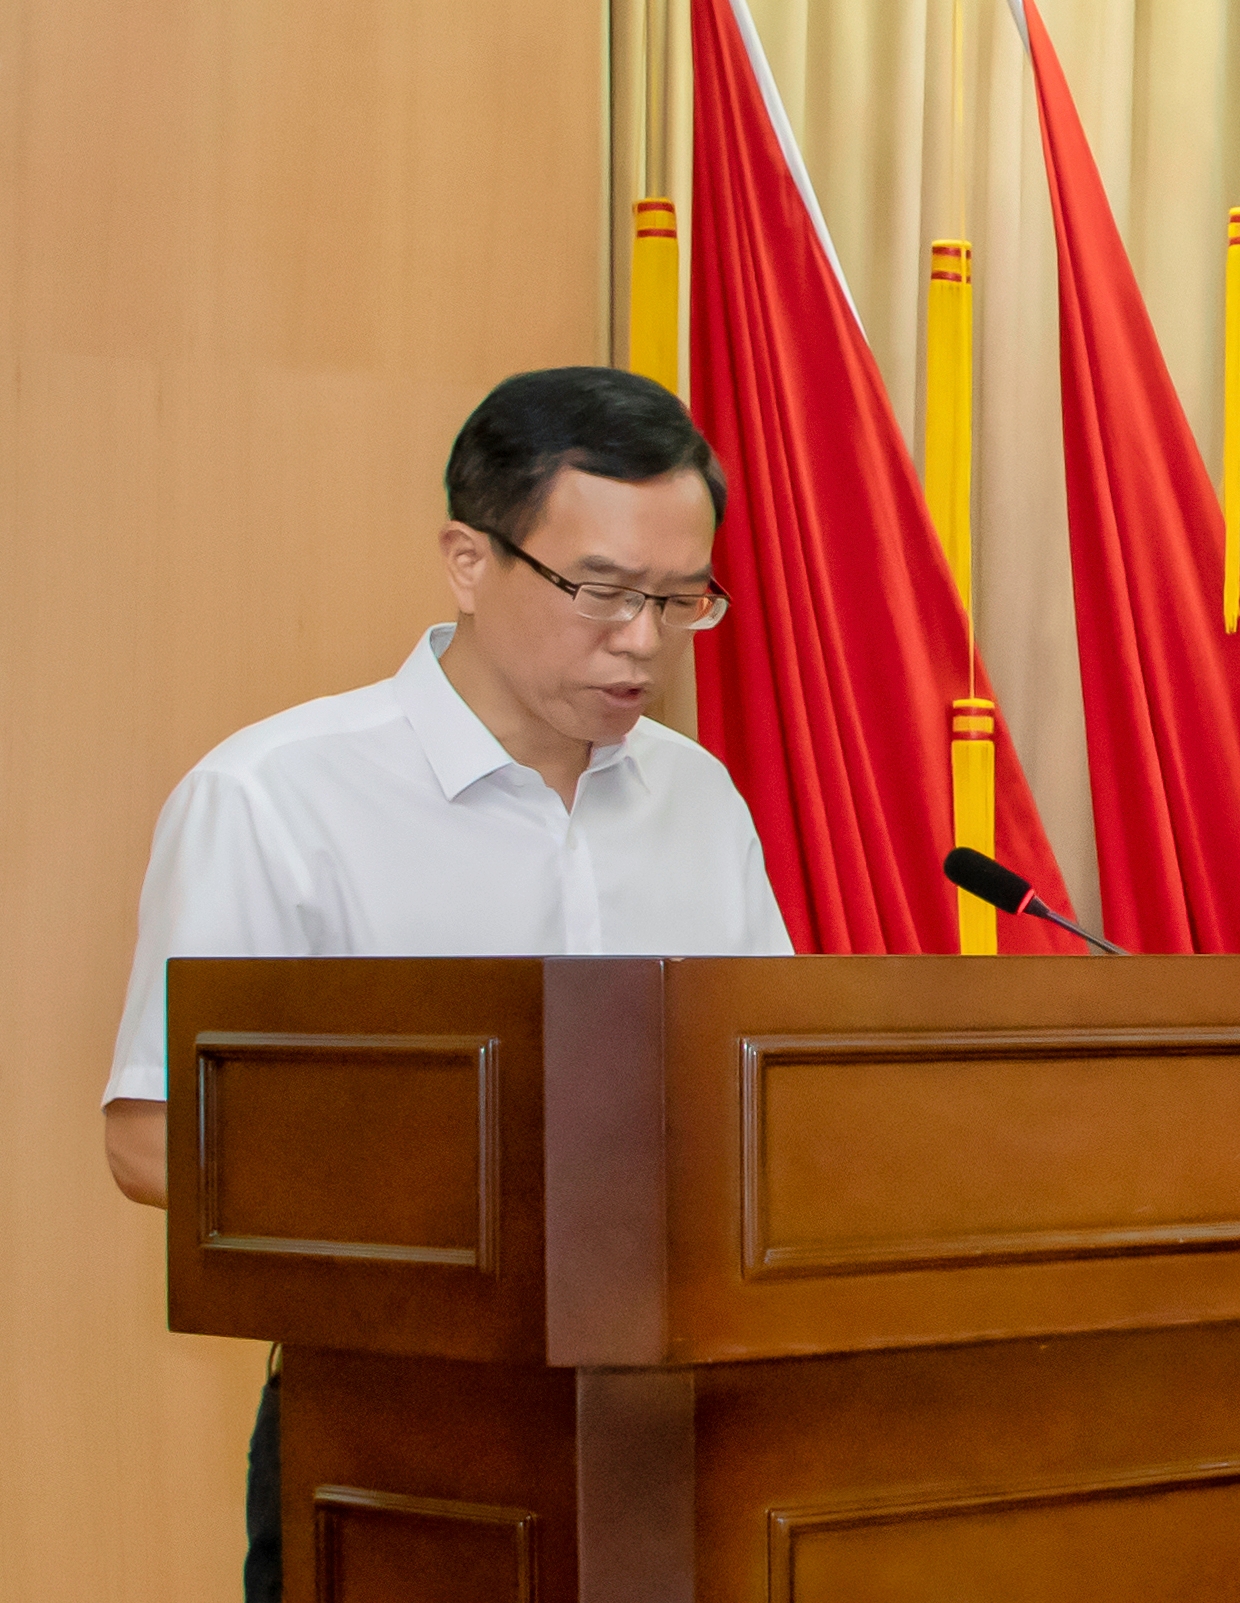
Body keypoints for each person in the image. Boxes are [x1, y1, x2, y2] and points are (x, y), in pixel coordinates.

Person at [101, 366, 792, 1602]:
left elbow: (770, 1097)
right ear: (469, 560)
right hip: (397, 1433)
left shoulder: (697, 797)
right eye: (602, 592)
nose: (643, 640)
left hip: (684, 1429)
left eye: (680, 598)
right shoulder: (276, 800)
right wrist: (499, 1200)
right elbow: (155, 1138)